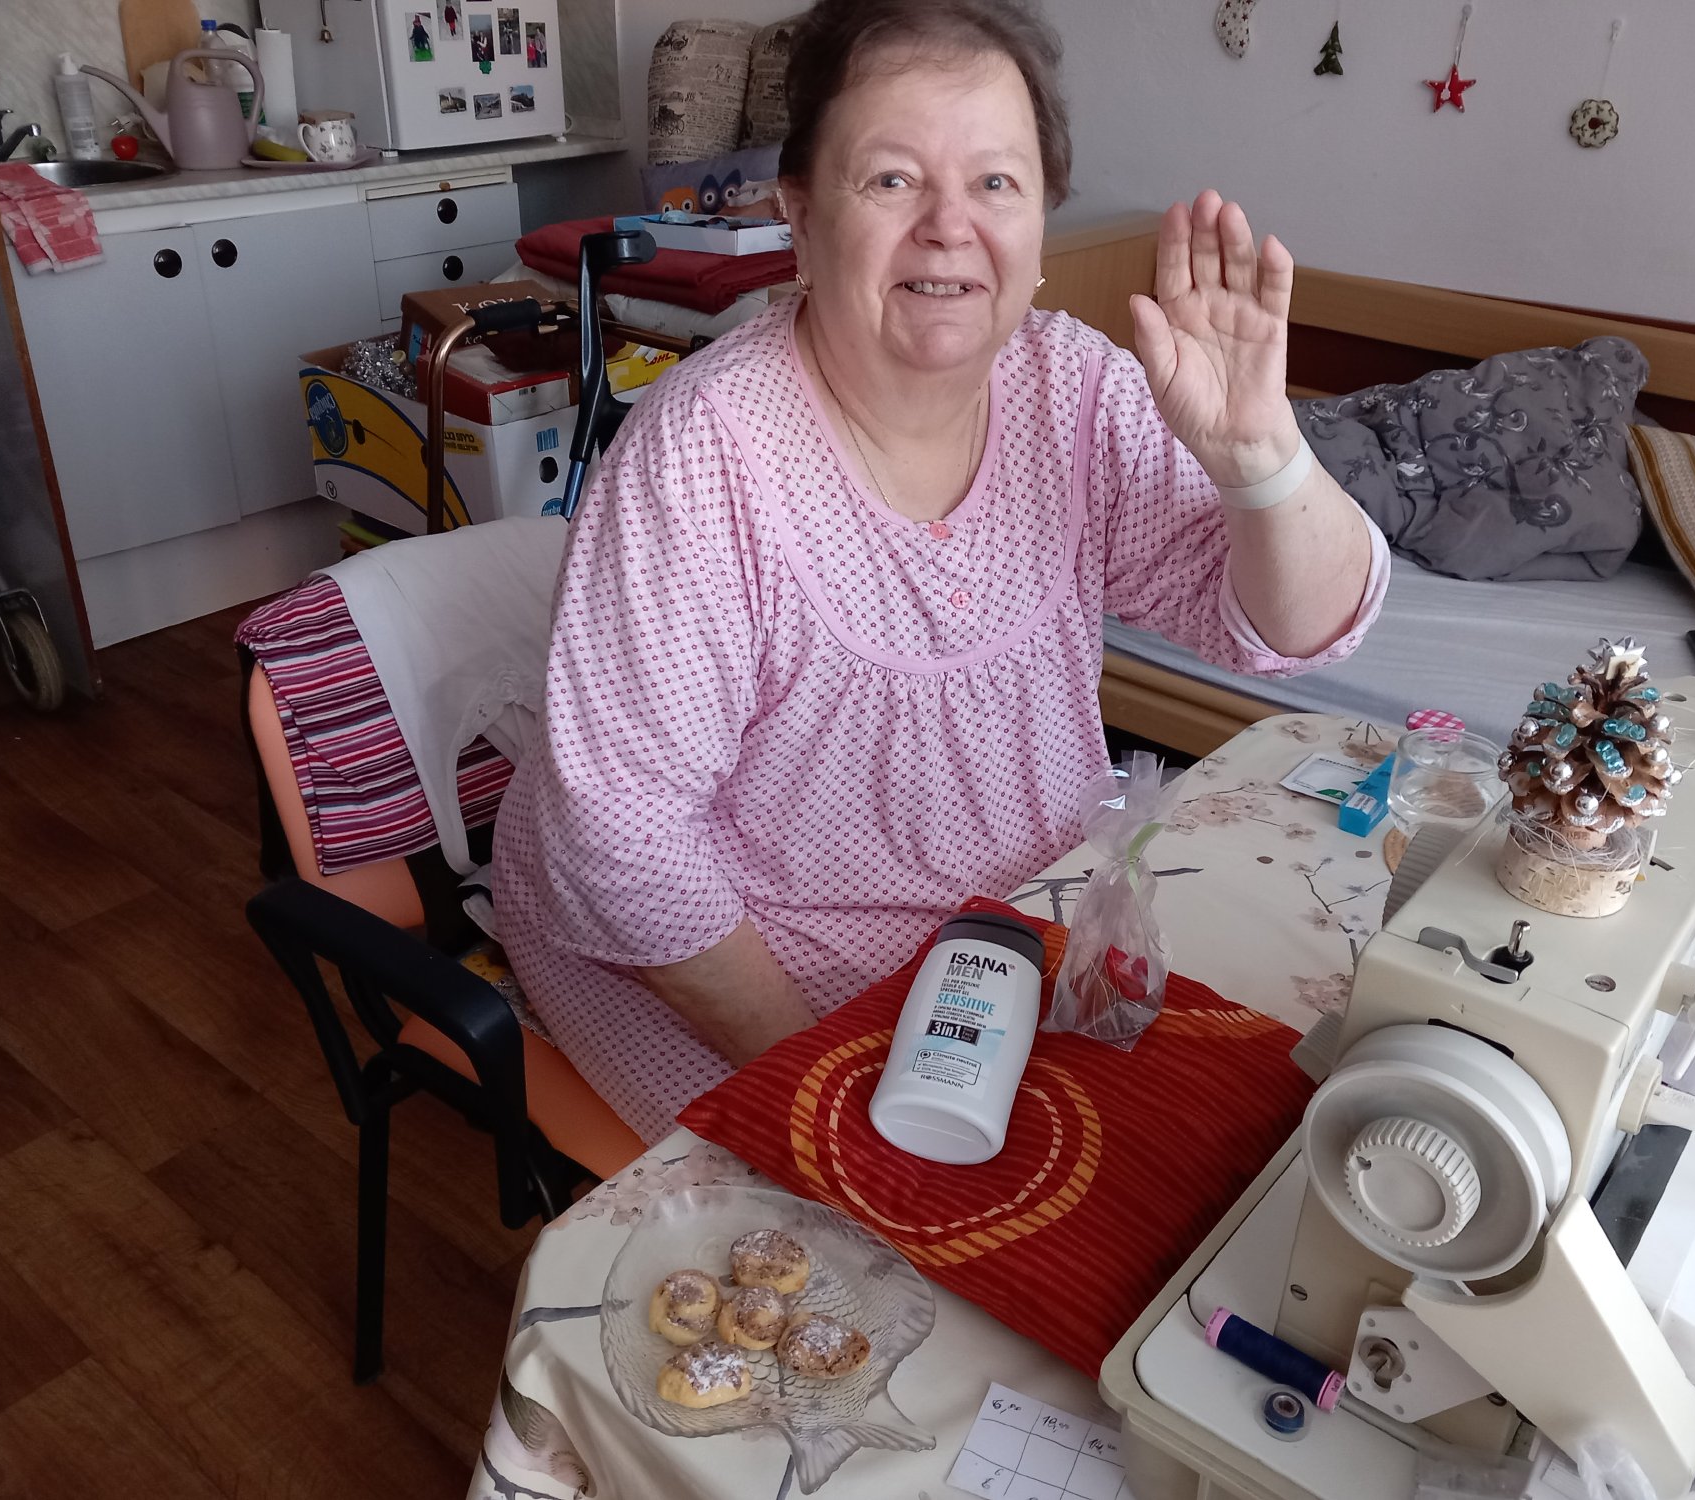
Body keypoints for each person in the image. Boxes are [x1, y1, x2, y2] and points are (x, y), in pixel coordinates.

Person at [493, 0, 1388, 1141]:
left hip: (1013, 930)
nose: (949, 228)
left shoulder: (1074, 388)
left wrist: (1260, 458)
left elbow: (1299, 630)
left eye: (995, 183)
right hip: (733, 966)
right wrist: (828, 1085)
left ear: (1039, 218)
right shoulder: (704, 455)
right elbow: (624, 847)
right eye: (892, 180)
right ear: (798, 212)